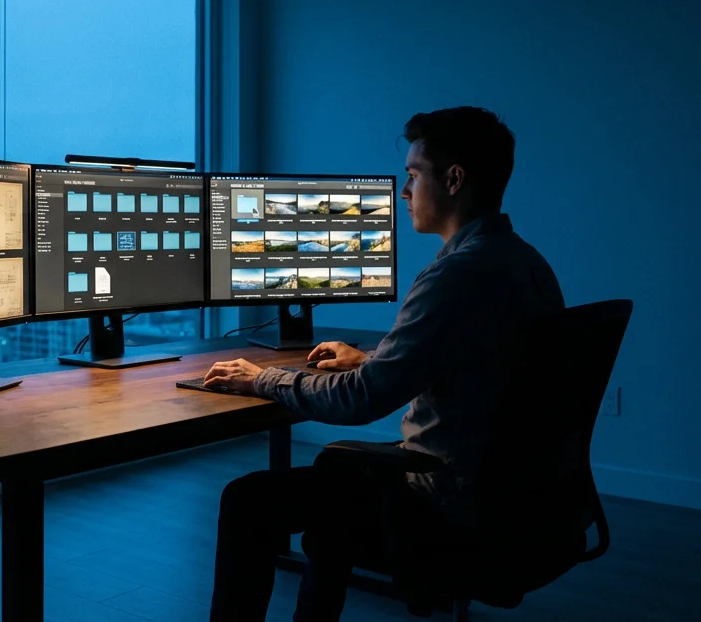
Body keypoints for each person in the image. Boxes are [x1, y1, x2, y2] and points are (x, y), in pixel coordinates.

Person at [203, 106, 565, 621]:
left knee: (250, 500)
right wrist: (374, 357)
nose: (403, 192)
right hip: (513, 498)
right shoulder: (524, 262)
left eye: (413, 176)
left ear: (454, 179)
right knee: (337, 476)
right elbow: (477, 360)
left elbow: (360, 399)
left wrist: (265, 378)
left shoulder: (456, 276)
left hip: (444, 503)